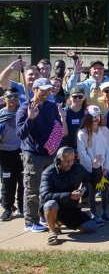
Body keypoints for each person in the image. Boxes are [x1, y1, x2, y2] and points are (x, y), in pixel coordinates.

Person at [15, 78, 62, 232]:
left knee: (48, 189)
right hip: (33, 155)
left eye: (48, 90)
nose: (46, 93)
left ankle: (44, 216)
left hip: (50, 154)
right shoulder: (24, 108)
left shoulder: (52, 106)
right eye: (43, 90)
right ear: (34, 89)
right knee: (32, 190)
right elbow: (21, 134)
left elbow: (56, 127)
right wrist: (30, 118)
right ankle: (30, 222)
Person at [39, 146, 103, 245]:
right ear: (58, 160)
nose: (70, 163)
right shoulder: (48, 173)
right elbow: (45, 196)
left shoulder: (78, 168)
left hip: (70, 208)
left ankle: (59, 222)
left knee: (92, 228)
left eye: (72, 160)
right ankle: (52, 231)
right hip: (53, 208)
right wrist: (70, 196)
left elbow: (93, 180)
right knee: (51, 204)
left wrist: (96, 168)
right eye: (66, 161)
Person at [76, 105, 109, 225]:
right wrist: (92, 165)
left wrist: (107, 165)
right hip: (90, 168)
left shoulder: (104, 130)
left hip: (103, 167)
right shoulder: (82, 133)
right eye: (93, 117)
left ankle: (105, 212)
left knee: (105, 189)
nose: (96, 119)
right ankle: (93, 214)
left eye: (98, 116)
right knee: (92, 190)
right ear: (87, 118)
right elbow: (82, 152)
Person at [0, 86, 25, 222]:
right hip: (5, 153)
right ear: (4, 99)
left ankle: (21, 207)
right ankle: (7, 208)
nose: (13, 99)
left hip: (22, 152)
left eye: (16, 96)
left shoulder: (22, 112)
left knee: (23, 182)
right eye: (9, 96)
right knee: (8, 182)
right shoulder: (1, 115)